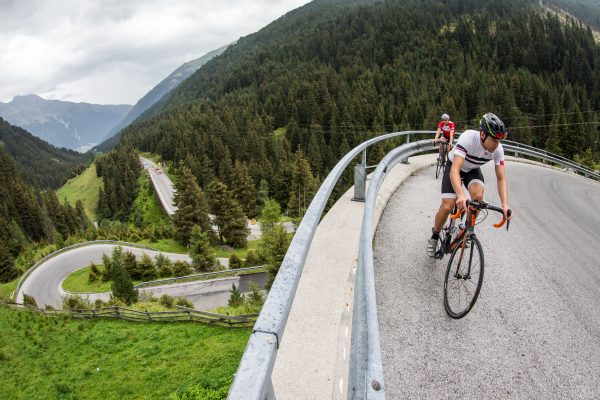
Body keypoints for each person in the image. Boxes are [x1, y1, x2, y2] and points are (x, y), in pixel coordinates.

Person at [427, 112, 512, 257]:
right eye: (494, 140)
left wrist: (505, 205)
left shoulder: (498, 149)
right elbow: (455, 169)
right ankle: (434, 236)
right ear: (483, 134)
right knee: (448, 205)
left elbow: (501, 178)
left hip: (472, 170)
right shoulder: (468, 138)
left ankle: (466, 229)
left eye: (499, 141)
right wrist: (460, 194)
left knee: (478, 197)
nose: (497, 145)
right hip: (454, 166)